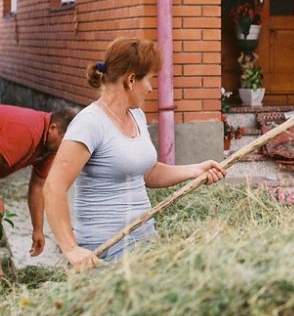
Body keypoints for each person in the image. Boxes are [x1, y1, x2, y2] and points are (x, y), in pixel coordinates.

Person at [44, 38, 226, 270]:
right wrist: (70, 248)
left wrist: (194, 170)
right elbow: (54, 188)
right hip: (104, 251)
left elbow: (146, 172)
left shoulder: (136, 116)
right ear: (131, 80)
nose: (151, 88)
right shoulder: (89, 124)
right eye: (149, 79)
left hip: (144, 243)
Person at [0, 105, 77, 276]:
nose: (65, 148)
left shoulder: (49, 147)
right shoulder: (26, 130)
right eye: (65, 140)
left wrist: (37, 229)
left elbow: (38, 185)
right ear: (53, 128)